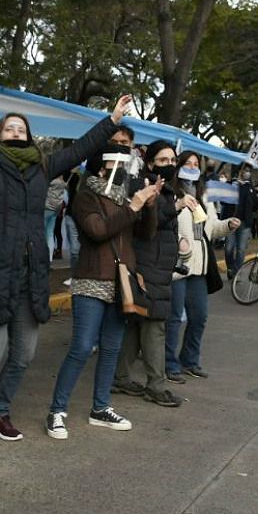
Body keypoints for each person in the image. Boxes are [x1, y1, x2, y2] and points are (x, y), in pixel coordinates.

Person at [0, 95, 135, 447]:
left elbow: (82, 149)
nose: (16, 130)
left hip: (30, 275)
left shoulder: (41, 167)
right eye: (9, 127)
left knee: (23, 354)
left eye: (21, 128)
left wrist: (112, 120)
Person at [46, 147, 160, 439]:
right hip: (91, 280)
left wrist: (149, 206)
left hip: (121, 283)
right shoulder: (86, 197)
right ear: (100, 168)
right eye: (115, 163)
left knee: (112, 348)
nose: (122, 169)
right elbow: (98, 231)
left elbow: (146, 234)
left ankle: (101, 408)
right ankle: (57, 411)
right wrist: (133, 207)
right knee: (83, 346)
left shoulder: (125, 197)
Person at [113, 140, 183, 408]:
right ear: (151, 163)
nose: (170, 165)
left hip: (159, 266)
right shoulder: (144, 186)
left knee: (137, 323)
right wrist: (173, 207)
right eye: (163, 160)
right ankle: (156, 385)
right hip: (147, 266)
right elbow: (147, 226)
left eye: (173, 160)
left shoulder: (166, 189)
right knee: (155, 326)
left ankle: (120, 376)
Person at [164, 151, 238, 383]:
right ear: (179, 167)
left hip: (200, 267)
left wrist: (229, 225)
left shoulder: (204, 196)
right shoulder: (169, 193)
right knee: (174, 318)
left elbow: (213, 228)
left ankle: (190, 361)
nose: (193, 167)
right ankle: (168, 364)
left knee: (199, 317)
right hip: (177, 265)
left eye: (196, 164)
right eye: (188, 163)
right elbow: (162, 223)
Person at [224, 166, 257, 280]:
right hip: (231, 221)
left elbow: (255, 206)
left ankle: (236, 272)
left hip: (244, 223)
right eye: (245, 170)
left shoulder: (250, 188)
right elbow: (223, 202)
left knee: (241, 249)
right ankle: (230, 267)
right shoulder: (231, 184)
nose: (247, 173)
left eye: (249, 171)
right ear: (240, 171)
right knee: (228, 248)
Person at [45, 175, 65, 260]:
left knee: (42, 233)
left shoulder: (49, 180)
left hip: (46, 207)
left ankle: (41, 256)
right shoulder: (62, 182)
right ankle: (49, 258)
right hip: (56, 209)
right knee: (50, 233)